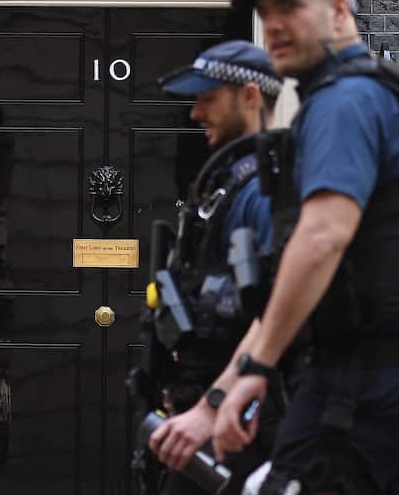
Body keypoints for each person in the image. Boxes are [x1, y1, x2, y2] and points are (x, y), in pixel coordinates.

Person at [209, 0, 399, 495]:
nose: (272, 24)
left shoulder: (344, 101)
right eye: (263, 10)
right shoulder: (376, 91)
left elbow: (323, 237)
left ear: (340, 11)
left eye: (289, 6)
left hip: (365, 380)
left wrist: (257, 366)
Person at [140, 40, 284, 494]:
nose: (195, 114)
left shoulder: (265, 191)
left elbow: (278, 312)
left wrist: (215, 406)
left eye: (208, 98)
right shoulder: (232, 185)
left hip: (239, 424)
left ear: (250, 96)